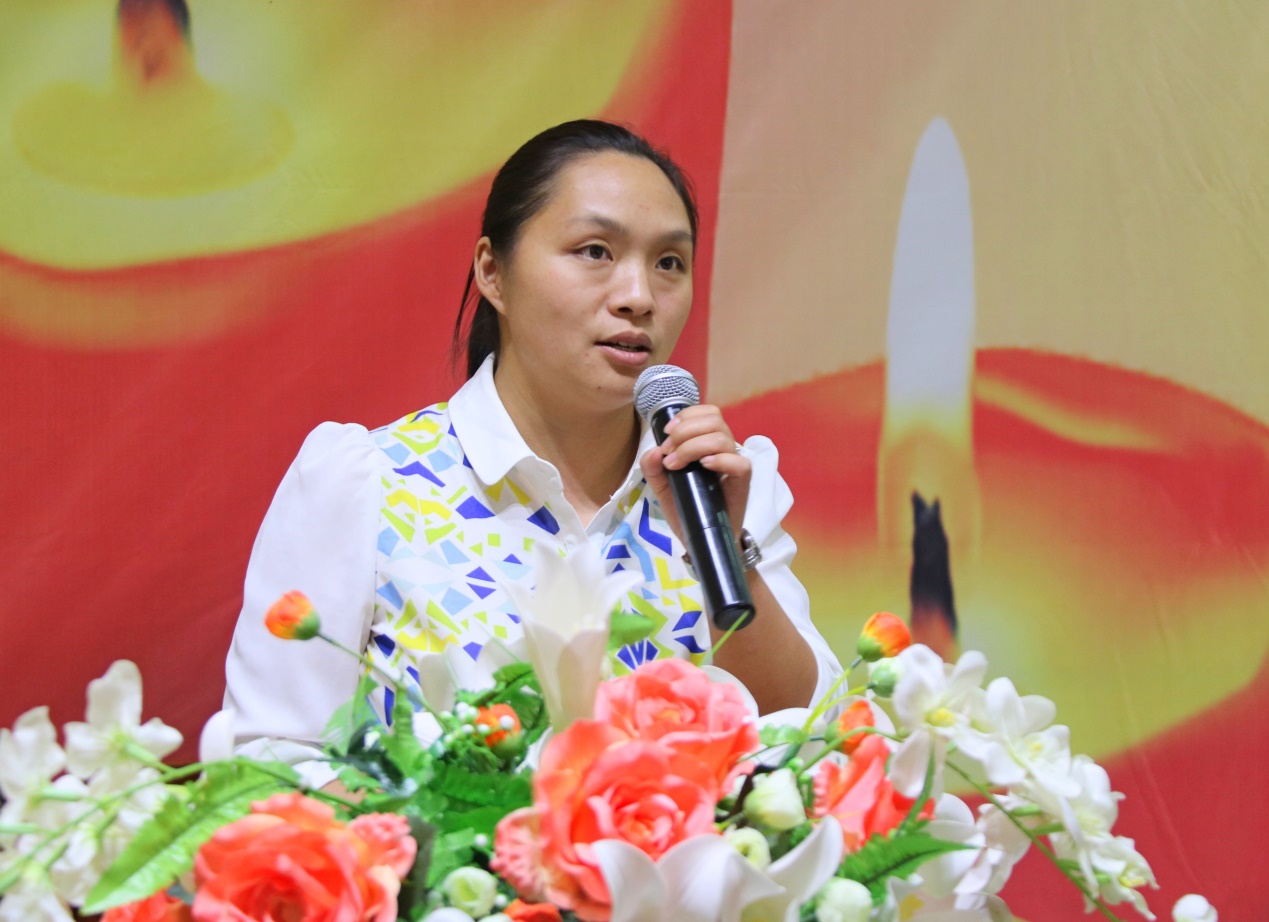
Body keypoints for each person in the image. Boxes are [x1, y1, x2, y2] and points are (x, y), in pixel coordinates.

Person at [224, 120, 841, 782]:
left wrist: (723, 544)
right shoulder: (365, 481)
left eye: (669, 263)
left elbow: (805, 741)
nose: (638, 297)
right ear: (493, 272)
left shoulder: (720, 484)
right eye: (594, 251)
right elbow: (269, 760)